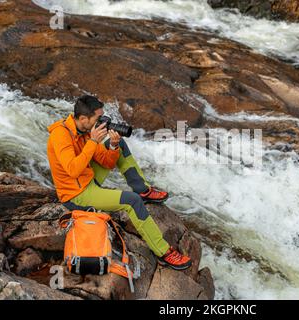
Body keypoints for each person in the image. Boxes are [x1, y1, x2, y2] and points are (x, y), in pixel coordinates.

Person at [47, 95, 191, 270]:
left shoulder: (85, 132)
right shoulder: (60, 135)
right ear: (83, 118)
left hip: (88, 178)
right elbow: (72, 170)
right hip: (76, 195)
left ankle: (142, 189)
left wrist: (113, 146)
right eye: (98, 119)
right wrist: (93, 141)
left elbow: (107, 162)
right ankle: (163, 252)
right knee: (132, 201)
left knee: (120, 143)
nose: (103, 122)